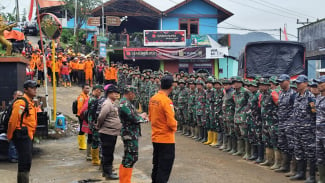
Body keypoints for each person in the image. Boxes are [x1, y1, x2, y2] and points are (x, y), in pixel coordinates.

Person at [7, 80, 38, 183]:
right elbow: (13, 120)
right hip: (22, 135)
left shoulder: (30, 102)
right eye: (32, 88)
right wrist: (10, 136)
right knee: (24, 162)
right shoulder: (21, 103)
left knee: (26, 162)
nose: (34, 90)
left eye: (35, 87)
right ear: (25, 89)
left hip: (27, 135)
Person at [149, 75, 177, 183]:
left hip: (155, 136)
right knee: (164, 167)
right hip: (166, 138)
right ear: (171, 87)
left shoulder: (153, 98)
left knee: (156, 164)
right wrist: (175, 125)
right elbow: (171, 122)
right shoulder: (166, 101)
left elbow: (150, 116)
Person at [118, 85, 148, 183]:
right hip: (129, 133)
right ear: (130, 93)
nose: (134, 96)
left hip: (131, 133)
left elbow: (132, 115)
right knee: (131, 158)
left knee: (128, 157)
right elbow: (133, 118)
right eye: (134, 93)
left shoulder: (126, 103)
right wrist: (143, 118)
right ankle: (125, 181)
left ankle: (124, 180)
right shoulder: (124, 104)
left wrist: (140, 115)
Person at [290, 75, 316, 181]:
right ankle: (300, 173)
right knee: (299, 152)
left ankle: (312, 176)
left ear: (306, 83)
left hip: (308, 130)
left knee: (310, 153)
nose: (297, 85)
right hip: (297, 129)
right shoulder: (295, 96)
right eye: (296, 83)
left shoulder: (311, 97)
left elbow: (315, 113)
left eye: (299, 83)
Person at [97, 85, 121, 180]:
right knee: (108, 154)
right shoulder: (107, 104)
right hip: (107, 132)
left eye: (117, 93)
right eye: (114, 93)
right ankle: (108, 173)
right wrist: (99, 126)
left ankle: (107, 171)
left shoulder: (112, 103)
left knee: (109, 153)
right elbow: (101, 117)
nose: (116, 95)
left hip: (112, 132)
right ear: (109, 93)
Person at [87, 85, 103, 165]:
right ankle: (95, 160)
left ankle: (96, 157)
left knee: (96, 140)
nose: (99, 92)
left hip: (93, 122)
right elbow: (94, 113)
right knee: (96, 140)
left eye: (100, 90)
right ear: (94, 90)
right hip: (94, 123)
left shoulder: (95, 99)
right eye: (98, 90)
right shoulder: (93, 100)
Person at [314, 76, 325, 183]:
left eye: (321, 83)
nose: (319, 85)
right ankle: (322, 179)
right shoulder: (318, 98)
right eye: (318, 83)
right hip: (319, 133)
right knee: (320, 157)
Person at [7, 91, 24, 163]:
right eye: (18, 96)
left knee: (14, 143)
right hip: (15, 125)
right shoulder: (14, 104)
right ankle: (14, 157)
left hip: (17, 126)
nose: (20, 97)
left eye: (21, 96)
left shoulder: (19, 105)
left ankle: (14, 156)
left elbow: (18, 115)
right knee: (13, 143)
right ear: (14, 96)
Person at [77, 84, 90, 150]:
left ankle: (82, 143)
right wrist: (81, 115)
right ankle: (81, 145)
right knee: (82, 129)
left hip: (85, 115)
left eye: (88, 88)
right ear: (83, 89)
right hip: (81, 115)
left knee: (84, 129)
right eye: (86, 88)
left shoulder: (87, 96)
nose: (88, 90)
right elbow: (80, 107)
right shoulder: (81, 97)